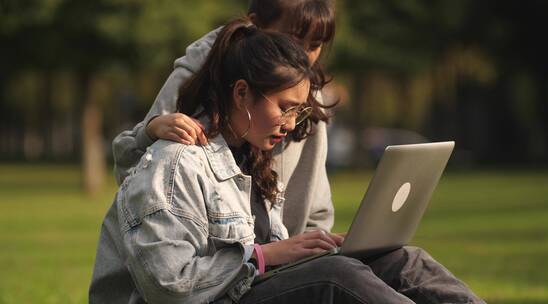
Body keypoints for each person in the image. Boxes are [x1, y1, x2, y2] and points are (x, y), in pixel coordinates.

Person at [90, 18, 485, 304]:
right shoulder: (176, 162)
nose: (292, 125)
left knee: (400, 260)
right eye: (285, 108)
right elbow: (169, 286)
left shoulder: (253, 161)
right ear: (241, 93)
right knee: (337, 278)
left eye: (300, 112)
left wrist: (312, 249)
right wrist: (264, 256)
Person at [112, 0, 337, 237]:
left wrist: (310, 252)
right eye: (293, 40)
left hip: (279, 261)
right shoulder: (200, 74)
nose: (302, 55)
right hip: (215, 262)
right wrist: (151, 131)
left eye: (315, 45)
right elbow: (135, 174)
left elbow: (316, 210)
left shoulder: (307, 89)